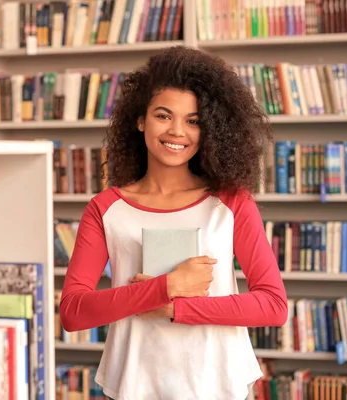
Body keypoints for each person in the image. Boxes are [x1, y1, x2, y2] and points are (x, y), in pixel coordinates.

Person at [58, 46, 288, 400]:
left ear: (209, 128)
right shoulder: (105, 209)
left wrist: (177, 307)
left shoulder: (230, 202)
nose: (177, 131)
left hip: (216, 382)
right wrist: (166, 286)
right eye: (163, 116)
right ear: (141, 120)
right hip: (135, 381)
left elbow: (273, 306)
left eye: (193, 121)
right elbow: (73, 313)